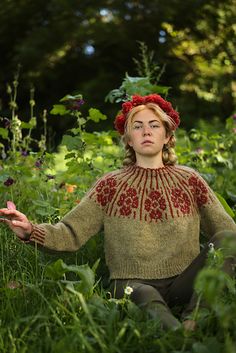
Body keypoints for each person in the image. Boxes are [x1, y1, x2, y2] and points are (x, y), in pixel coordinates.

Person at [1, 94, 236, 332]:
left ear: (167, 137)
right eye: (138, 126)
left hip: (183, 283)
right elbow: (71, 232)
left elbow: (227, 232)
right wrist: (30, 231)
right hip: (131, 284)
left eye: (154, 126)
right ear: (129, 140)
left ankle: (194, 318)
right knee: (145, 295)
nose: (146, 131)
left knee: (229, 239)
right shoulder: (110, 185)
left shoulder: (190, 180)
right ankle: (176, 334)